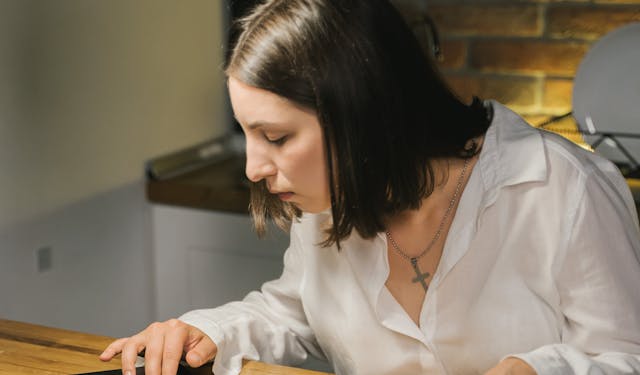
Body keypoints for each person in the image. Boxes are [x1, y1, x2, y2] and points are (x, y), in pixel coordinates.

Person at [100, 0, 640, 374]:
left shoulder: (565, 189)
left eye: (277, 136)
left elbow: (629, 356)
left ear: (361, 114)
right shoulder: (326, 200)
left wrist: (538, 368)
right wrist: (207, 332)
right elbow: (294, 311)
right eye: (248, 135)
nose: (254, 169)